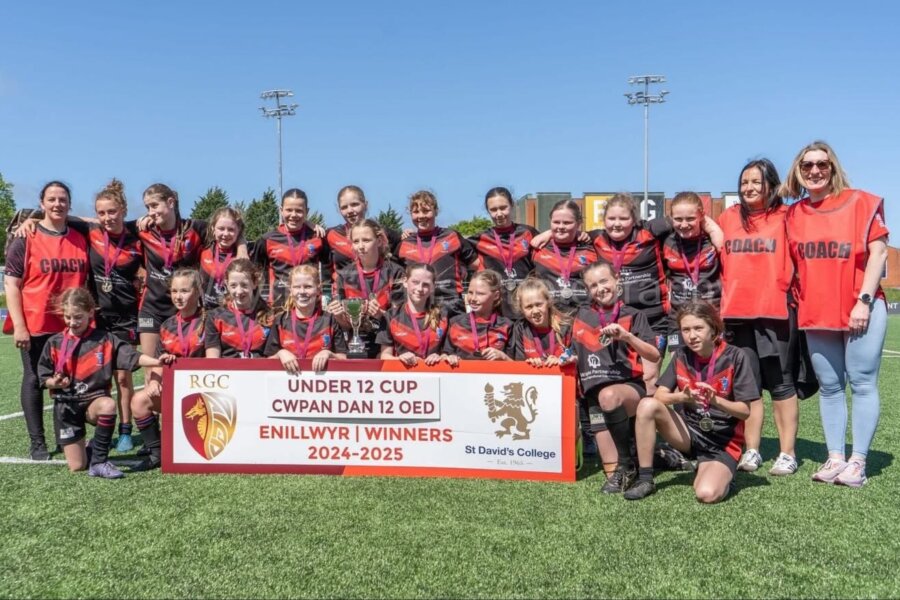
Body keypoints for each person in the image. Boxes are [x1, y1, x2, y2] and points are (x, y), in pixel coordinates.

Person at [782, 140, 889, 487]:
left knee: (861, 382)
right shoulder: (793, 214)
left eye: (822, 164)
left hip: (861, 308)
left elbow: (879, 253)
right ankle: (835, 457)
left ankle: (858, 462)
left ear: (833, 168)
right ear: (798, 172)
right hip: (817, 309)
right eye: (807, 165)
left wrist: (864, 299)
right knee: (829, 387)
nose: (815, 170)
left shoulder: (860, 201)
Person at [625, 301, 759, 502]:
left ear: (713, 328)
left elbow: (745, 411)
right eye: (686, 330)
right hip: (691, 434)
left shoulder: (735, 356)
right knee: (647, 405)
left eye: (698, 328)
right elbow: (660, 396)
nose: (692, 336)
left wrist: (716, 401)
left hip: (722, 442)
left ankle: (717, 471)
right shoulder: (681, 355)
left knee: (706, 493)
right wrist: (681, 397)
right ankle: (645, 479)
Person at [719, 159, 801, 476]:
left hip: (775, 311)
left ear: (771, 184)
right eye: (744, 183)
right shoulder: (727, 217)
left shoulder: (787, 216)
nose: (749, 188)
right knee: (748, 388)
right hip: (736, 314)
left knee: (781, 383)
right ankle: (751, 450)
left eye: (756, 182)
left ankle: (787, 452)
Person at [37, 288, 174, 478]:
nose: (72, 322)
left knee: (108, 405)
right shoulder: (54, 342)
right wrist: (56, 383)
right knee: (77, 466)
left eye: (78, 317)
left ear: (90, 313)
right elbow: (44, 379)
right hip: (66, 408)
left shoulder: (105, 339)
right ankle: (93, 447)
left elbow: (132, 356)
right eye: (68, 317)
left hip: (93, 402)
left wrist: (157, 361)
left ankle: (99, 462)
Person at [5, 181, 89, 460]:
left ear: (70, 204)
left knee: (64, 381)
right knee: (34, 380)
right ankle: (37, 442)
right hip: (36, 322)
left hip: (70, 325)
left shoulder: (79, 236)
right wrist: (19, 325)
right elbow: (13, 284)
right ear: (42, 203)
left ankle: (65, 438)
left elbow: (101, 220)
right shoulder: (25, 238)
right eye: (51, 199)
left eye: (63, 199)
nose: (57, 204)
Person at [571, 261, 660, 491]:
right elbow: (567, 349)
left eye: (604, 281)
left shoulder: (634, 315)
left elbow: (654, 355)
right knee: (610, 472)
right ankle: (659, 456)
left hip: (628, 389)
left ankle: (628, 465)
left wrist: (628, 337)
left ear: (616, 279)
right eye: (592, 285)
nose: (600, 288)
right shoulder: (579, 315)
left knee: (609, 396)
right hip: (593, 397)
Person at [87, 179, 145, 452]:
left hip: (126, 318)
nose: (107, 218)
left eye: (112, 212)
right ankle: (104, 430)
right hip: (97, 318)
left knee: (123, 377)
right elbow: (63, 217)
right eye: (101, 213)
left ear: (122, 210)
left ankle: (125, 430)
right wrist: (32, 218)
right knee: (100, 376)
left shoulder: (137, 239)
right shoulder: (92, 233)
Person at [130, 268, 207, 470]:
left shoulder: (211, 320)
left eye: (184, 291)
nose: (178, 297)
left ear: (198, 291)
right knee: (139, 401)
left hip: (207, 394)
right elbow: (158, 362)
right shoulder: (166, 326)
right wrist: (155, 380)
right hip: (177, 392)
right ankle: (158, 453)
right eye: (174, 291)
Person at [136, 183, 210, 357]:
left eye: (154, 205)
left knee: (184, 366)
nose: (151, 212)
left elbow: (231, 227)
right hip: (152, 308)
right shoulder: (142, 229)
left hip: (185, 308)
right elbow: (106, 224)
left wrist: (243, 248)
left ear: (170, 202)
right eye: (147, 207)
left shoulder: (196, 228)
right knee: (153, 370)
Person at [394, 190, 480, 317]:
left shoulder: (452, 236)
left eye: (426, 211)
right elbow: (394, 274)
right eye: (416, 212)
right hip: (418, 307)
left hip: (451, 305)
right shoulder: (404, 243)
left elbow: (477, 264)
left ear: (436, 211)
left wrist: (463, 268)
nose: (421, 216)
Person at [329, 219, 405, 358]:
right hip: (354, 346)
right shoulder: (343, 275)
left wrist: (381, 315)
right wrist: (338, 315)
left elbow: (403, 320)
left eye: (366, 240)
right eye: (356, 241)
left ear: (379, 241)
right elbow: (344, 326)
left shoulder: (395, 272)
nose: (361, 246)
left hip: (387, 347)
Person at [468, 187, 539, 317]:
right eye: (493, 210)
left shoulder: (528, 233)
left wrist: (550, 233)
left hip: (526, 307)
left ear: (511, 205)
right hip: (497, 310)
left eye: (503, 207)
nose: (499, 214)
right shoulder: (479, 239)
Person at [253, 188, 330, 308]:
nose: (293, 215)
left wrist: (327, 301)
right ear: (281, 210)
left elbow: (328, 271)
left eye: (299, 211)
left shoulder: (318, 237)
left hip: (310, 306)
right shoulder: (267, 240)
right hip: (277, 307)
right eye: (289, 210)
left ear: (307, 212)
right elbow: (255, 273)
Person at [661, 192, 721, 347]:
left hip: (710, 314)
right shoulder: (667, 242)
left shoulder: (712, 240)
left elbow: (724, 250)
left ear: (702, 216)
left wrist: (713, 230)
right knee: (679, 364)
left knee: (713, 364)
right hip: (678, 317)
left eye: (690, 218)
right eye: (678, 219)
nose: (684, 224)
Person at [265, 264, 348, 372]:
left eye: (308, 287)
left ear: (318, 290)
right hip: (288, 385)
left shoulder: (330, 320)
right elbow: (268, 360)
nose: (302, 291)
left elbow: (344, 358)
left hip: (321, 384)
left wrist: (329, 353)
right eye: (297, 287)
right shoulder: (280, 320)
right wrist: (281, 353)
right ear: (291, 290)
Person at [530, 200, 598, 316]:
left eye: (567, 223)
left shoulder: (591, 247)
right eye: (556, 222)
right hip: (550, 318)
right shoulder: (538, 247)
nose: (561, 227)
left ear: (579, 223)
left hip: (585, 317)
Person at [377, 263, 448, 366]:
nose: (420, 288)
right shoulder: (391, 316)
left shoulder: (443, 316)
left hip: (434, 376)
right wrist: (399, 358)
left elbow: (449, 354)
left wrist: (441, 357)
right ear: (405, 282)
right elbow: (384, 356)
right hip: (405, 378)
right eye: (415, 282)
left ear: (433, 287)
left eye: (426, 284)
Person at [325, 185, 401, 281]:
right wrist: (309, 223)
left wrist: (409, 233)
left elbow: (401, 261)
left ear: (365, 204)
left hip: (378, 291)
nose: (350, 211)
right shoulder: (331, 235)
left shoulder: (384, 233)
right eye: (344, 207)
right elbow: (325, 269)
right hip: (343, 293)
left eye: (354, 204)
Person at [205, 259, 272, 358]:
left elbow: (274, 356)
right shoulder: (215, 317)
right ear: (226, 284)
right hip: (228, 372)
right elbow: (212, 360)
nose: (239, 291)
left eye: (244, 285)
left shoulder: (270, 315)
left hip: (260, 372)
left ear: (254, 283)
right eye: (233, 285)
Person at [443, 270, 513, 364]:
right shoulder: (455, 323)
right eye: (470, 292)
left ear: (496, 295)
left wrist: (503, 357)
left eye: (480, 294)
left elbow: (518, 366)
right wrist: (449, 357)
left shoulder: (507, 326)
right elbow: (444, 355)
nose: (473, 298)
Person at [509, 277, 575, 367]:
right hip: (534, 379)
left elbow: (576, 360)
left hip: (561, 378)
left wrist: (561, 361)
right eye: (529, 307)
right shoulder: (520, 329)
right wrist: (529, 363)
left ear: (548, 302)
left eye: (539, 304)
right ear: (521, 309)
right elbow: (519, 365)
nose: (535, 311)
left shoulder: (565, 326)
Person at [198, 207, 244, 309]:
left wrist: (242, 246)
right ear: (213, 229)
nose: (226, 234)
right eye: (221, 229)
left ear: (238, 231)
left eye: (231, 229)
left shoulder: (245, 254)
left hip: (232, 315)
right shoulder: (203, 249)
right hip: (205, 313)